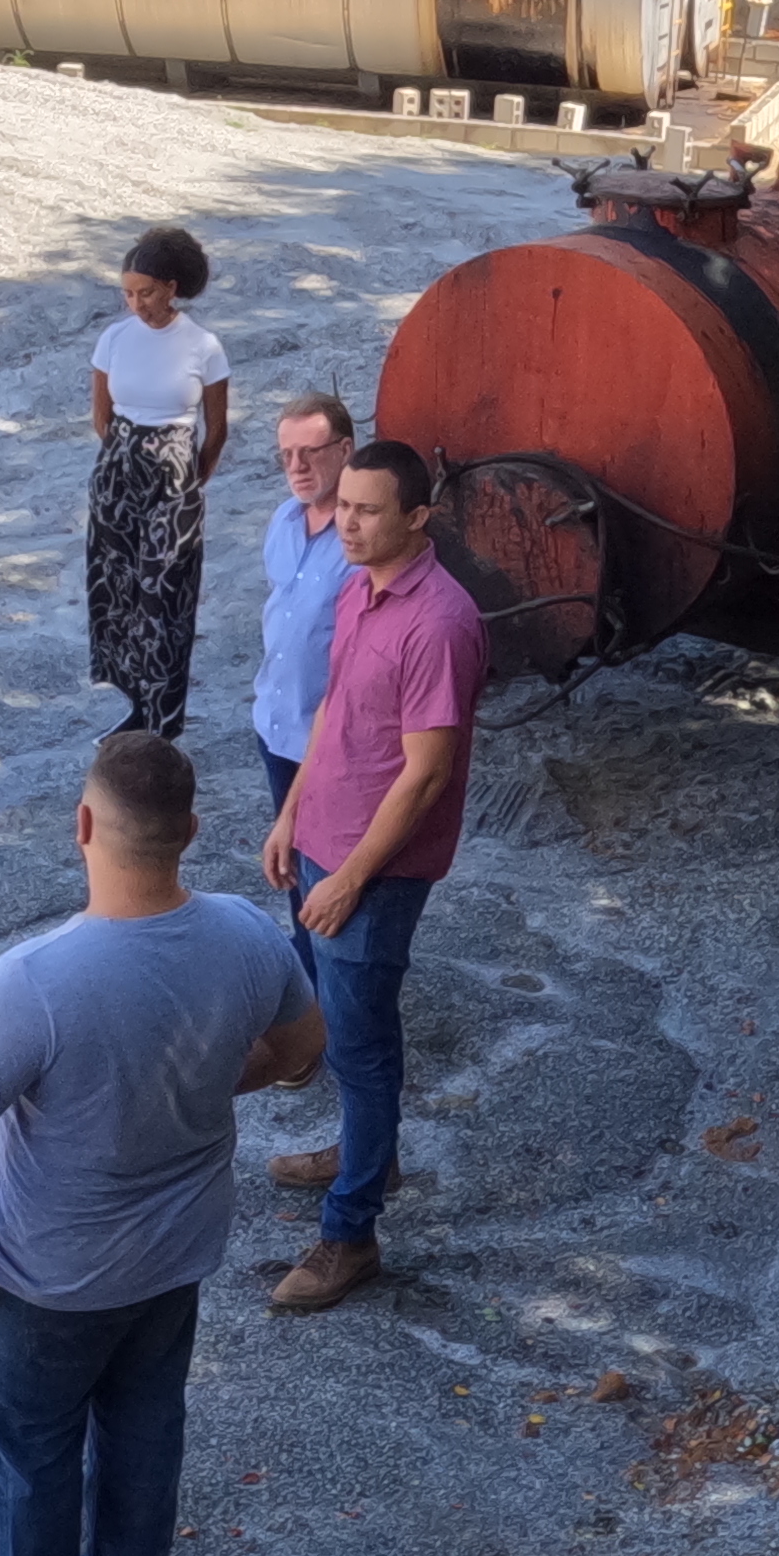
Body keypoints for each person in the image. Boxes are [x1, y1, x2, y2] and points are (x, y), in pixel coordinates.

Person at [0, 731, 324, 1556]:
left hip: (46, 1277)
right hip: (174, 1260)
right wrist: (212, 1087)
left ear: (84, 825)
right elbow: (302, 1053)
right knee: (146, 1424)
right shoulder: (250, 938)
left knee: (34, 1451)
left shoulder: (36, 983)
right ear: (193, 831)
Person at [255, 436, 485, 1316]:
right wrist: (290, 815)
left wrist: (349, 877)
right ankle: (366, 1149)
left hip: (373, 870)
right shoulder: (361, 588)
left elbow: (425, 774)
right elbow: (335, 716)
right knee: (339, 1022)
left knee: (359, 1039)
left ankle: (351, 1230)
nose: (344, 523)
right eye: (342, 506)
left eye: (366, 510)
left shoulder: (440, 622)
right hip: (321, 838)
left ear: (417, 518)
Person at [82, 226, 230, 739]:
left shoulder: (203, 346)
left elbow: (217, 429)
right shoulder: (114, 338)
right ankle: (134, 704)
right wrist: (124, 460)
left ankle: (165, 718)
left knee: (165, 598)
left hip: (176, 481)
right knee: (119, 591)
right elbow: (102, 416)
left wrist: (189, 482)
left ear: (171, 288)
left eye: (145, 292)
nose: (136, 303)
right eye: (128, 293)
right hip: (116, 476)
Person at [246, 390, 357, 823]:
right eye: (286, 455)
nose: (296, 468)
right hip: (275, 726)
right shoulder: (284, 521)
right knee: (289, 862)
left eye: (309, 453)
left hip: (330, 742)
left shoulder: (360, 538)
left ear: (345, 450)